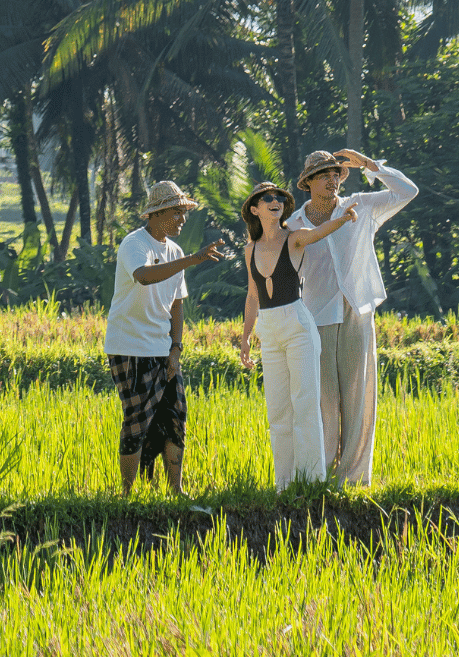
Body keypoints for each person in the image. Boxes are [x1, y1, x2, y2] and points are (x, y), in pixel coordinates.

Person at [288, 148, 419, 485]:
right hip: (316, 315)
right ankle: (320, 472)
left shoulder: (360, 205)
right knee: (324, 399)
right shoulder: (293, 225)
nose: (332, 179)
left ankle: (353, 478)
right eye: (324, 175)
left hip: (357, 310)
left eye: (336, 174)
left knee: (358, 395)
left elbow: (407, 191)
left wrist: (368, 164)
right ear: (309, 183)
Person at [104, 180, 226, 496]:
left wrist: (176, 348)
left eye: (184, 213)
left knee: (175, 417)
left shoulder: (175, 251)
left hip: (162, 348)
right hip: (129, 347)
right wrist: (193, 260)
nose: (183, 220)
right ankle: (126, 494)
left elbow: (176, 304)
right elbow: (144, 276)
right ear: (157, 214)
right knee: (137, 420)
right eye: (177, 213)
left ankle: (176, 490)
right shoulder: (135, 244)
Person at [236, 182, 356, 491]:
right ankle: (284, 484)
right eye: (267, 199)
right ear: (255, 208)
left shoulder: (294, 239)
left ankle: (312, 480)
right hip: (269, 328)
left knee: (304, 403)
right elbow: (252, 296)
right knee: (278, 411)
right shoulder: (250, 248)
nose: (275, 201)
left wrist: (342, 219)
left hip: (298, 326)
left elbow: (319, 232)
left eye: (279, 198)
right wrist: (246, 337)